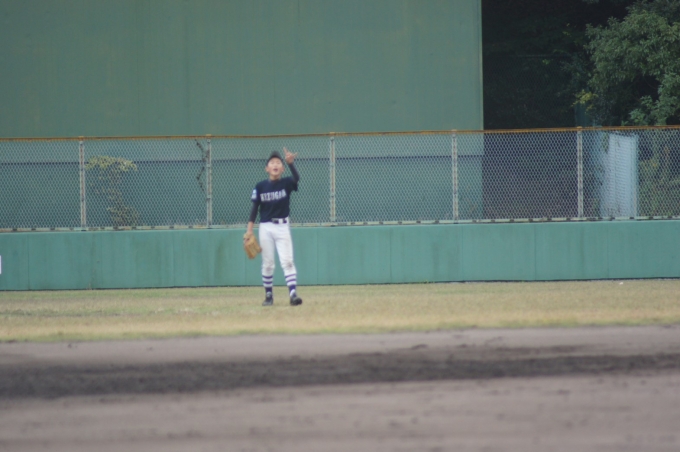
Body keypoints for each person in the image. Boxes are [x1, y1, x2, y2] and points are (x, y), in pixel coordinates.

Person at [244, 147, 303, 306]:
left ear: (282, 168)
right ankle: (268, 296)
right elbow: (254, 209)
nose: (275, 164)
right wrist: (249, 231)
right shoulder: (260, 186)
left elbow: (296, 179)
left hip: (283, 226)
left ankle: (293, 294)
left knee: (287, 261)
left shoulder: (286, 183)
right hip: (266, 227)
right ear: (267, 168)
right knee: (268, 263)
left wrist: (291, 164)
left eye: (278, 162)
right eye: (272, 162)